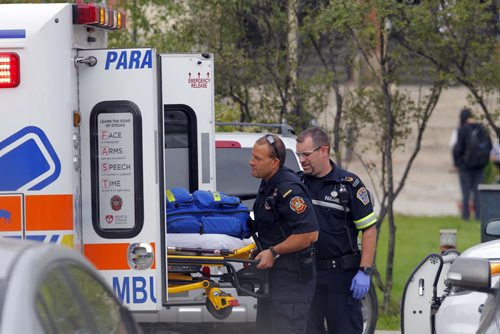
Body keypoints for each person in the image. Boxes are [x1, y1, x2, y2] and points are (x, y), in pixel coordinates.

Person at [296, 127, 377, 334]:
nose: (302, 160)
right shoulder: (298, 184)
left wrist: (365, 271)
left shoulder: (349, 185)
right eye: (299, 155)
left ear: (324, 151)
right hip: (307, 275)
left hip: (341, 277)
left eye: (306, 154)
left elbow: (368, 229)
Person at [249, 134, 319, 334]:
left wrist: (273, 252)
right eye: (252, 156)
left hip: (292, 280)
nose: (251, 162)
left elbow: (309, 234)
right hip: (273, 277)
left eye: (258, 159)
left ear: (275, 162)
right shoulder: (267, 183)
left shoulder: (288, 188)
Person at [453, 108, 492, 221]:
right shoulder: (482, 129)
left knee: (465, 193)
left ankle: (466, 216)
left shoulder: (462, 130)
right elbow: (489, 147)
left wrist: (457, 163)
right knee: (478, 193)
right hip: (480, 167)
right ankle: (478, 217)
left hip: (465, 167)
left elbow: (457, 148)